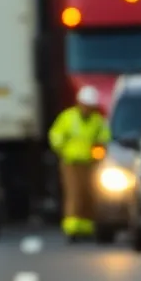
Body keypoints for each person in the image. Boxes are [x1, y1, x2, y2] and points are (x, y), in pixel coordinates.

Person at [48, 86, 111, 239]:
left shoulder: (97, 121)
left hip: (91, 164)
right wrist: (63, 150)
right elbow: (55, 135)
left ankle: (88, 227)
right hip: (71, 163)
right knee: (74, 194)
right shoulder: (68, 118)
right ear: (79, 103)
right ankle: (72, 228)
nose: (87, 109)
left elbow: (104, 138)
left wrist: (98, 151)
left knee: (90, 195)